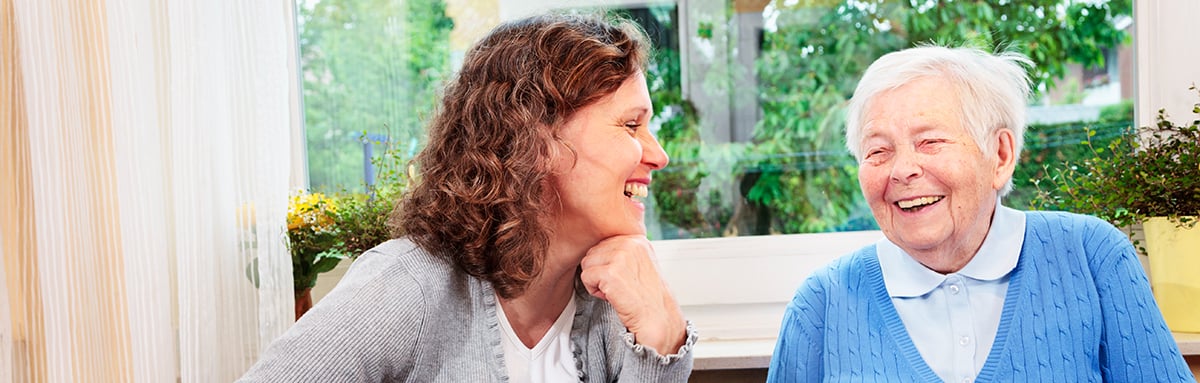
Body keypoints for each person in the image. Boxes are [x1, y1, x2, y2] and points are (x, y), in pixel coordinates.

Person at [240, 13, 695, 382]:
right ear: (537, 140)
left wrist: (663, 332)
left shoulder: (617, 300)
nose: (659, 155)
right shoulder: (409, 285)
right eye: (632, 125)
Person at [767, 45, 1194, 382]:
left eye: (930, 142)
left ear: (1001, 155)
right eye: (877, 151)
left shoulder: (1093, 257)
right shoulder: (819, 305)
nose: (902, 171)